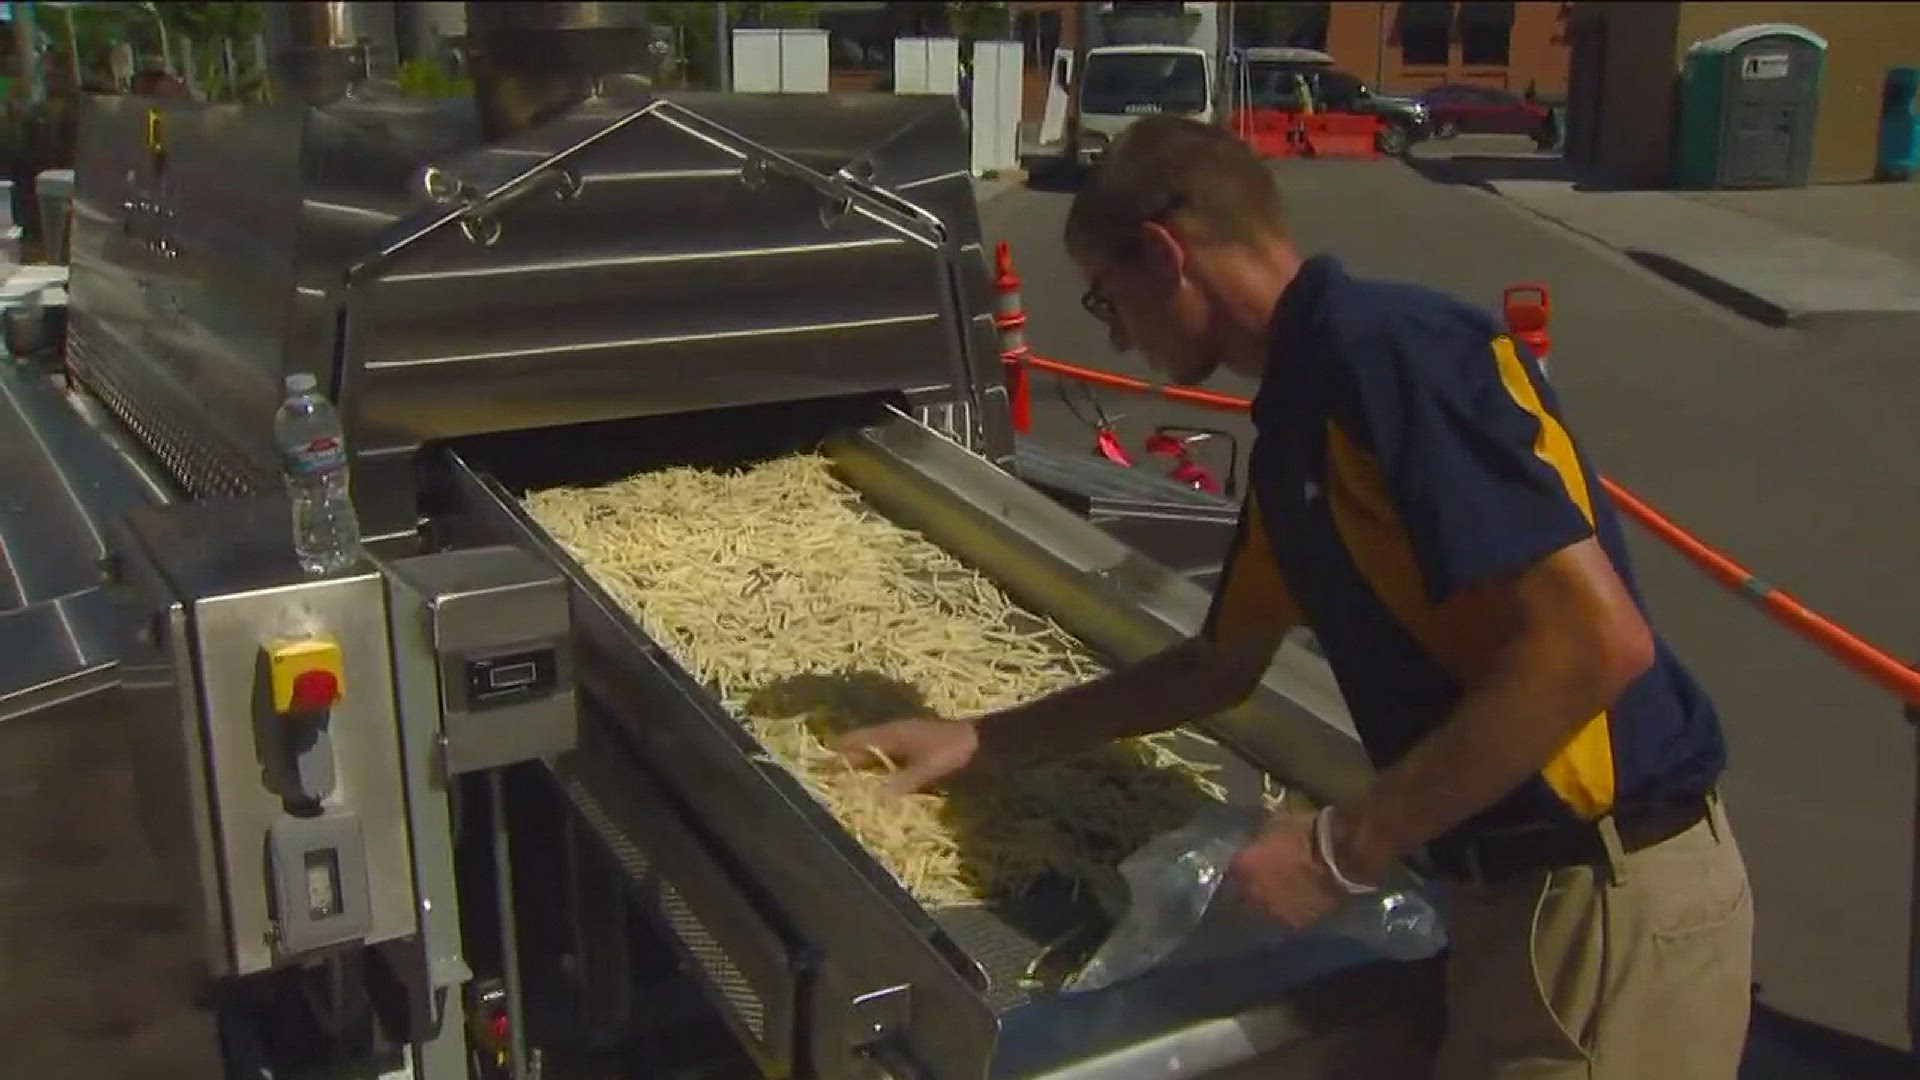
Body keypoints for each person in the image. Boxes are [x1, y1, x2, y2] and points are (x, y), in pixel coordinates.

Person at [837, 114, 1753, 1079]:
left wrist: (1335, 851)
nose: (1121, 339)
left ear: (1163, 254)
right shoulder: (1300, 418)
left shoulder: (1396, 355)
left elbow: (1594, 645)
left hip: (1600, 898)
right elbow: (1216, 665)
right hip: (1507, 899)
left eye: (1111, 304)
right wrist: (981, 738)